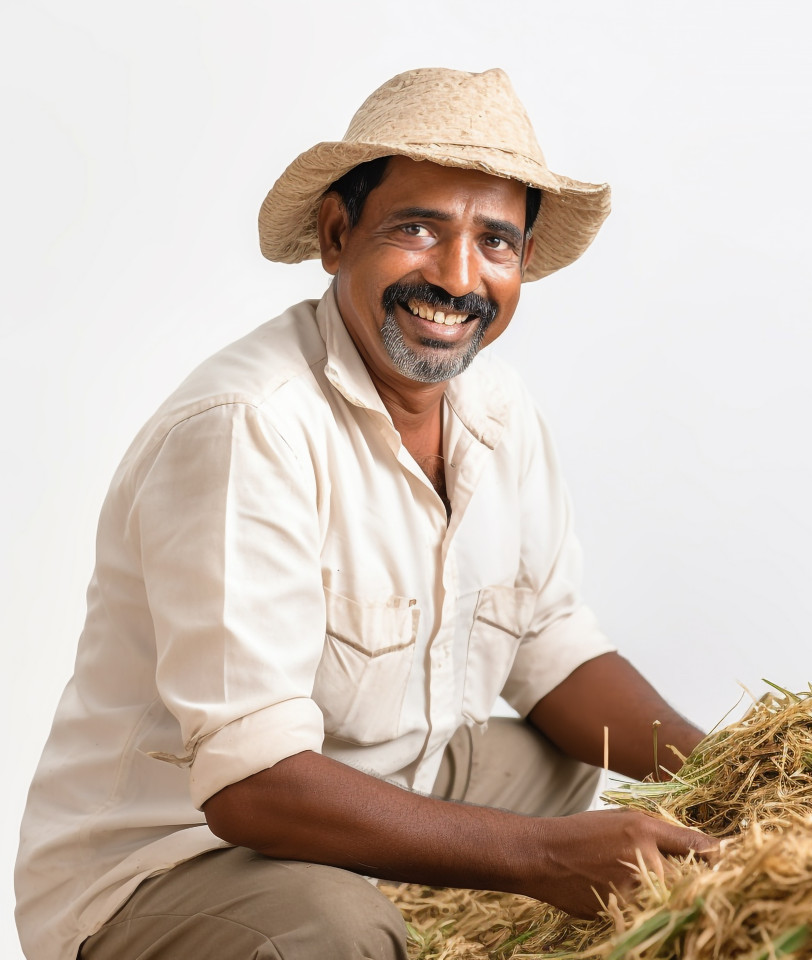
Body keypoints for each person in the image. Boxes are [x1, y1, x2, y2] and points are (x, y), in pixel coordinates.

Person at [15, 67, 715, 960]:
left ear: (524, 263)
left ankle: (392, 899)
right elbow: (252, 787)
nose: (457, 277)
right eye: (418, 228)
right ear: (338, 234)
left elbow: (550, 646)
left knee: (566, 754)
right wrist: (538, 858)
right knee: (335, 931)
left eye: (494, 241)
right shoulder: (248, 428)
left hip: (366, 794)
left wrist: (739, 776)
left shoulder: (498, 414)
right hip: (172, 863)